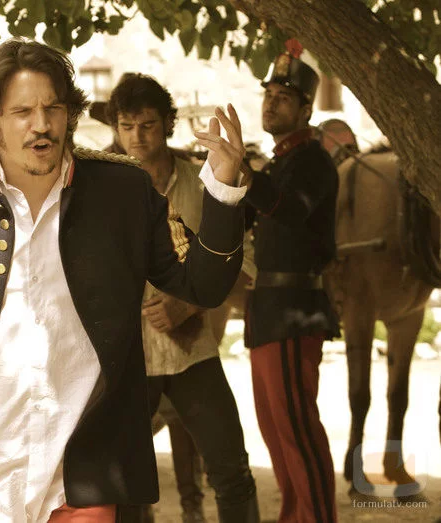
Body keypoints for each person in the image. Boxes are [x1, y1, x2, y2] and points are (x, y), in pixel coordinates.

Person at [0, 38, 250, 522]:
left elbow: (201, 284)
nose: (41, 124)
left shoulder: (123, 191)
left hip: (84, 472)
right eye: (22, 111)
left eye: (53, 108)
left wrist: (223, 190)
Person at [107, 72, 259, 523]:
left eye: (147, 125)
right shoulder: (100, 188)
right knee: (122, 483)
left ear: (168, 124)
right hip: (126, 358)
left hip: (193, 352)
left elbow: (244, 261)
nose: (137, 136)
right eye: (126, 126)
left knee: (231, 470)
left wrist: (189, 303)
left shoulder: (205, 181)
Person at [244, 50, 341, 523]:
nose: (271, 103)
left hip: (294, 311)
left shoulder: (313, 160)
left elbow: (291, 208)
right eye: (269, 95)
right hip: (267, 311)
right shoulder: (276, 166)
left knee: (299, 433)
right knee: (277, 434)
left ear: (306, 109)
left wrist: (244, 174)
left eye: (284, 98)